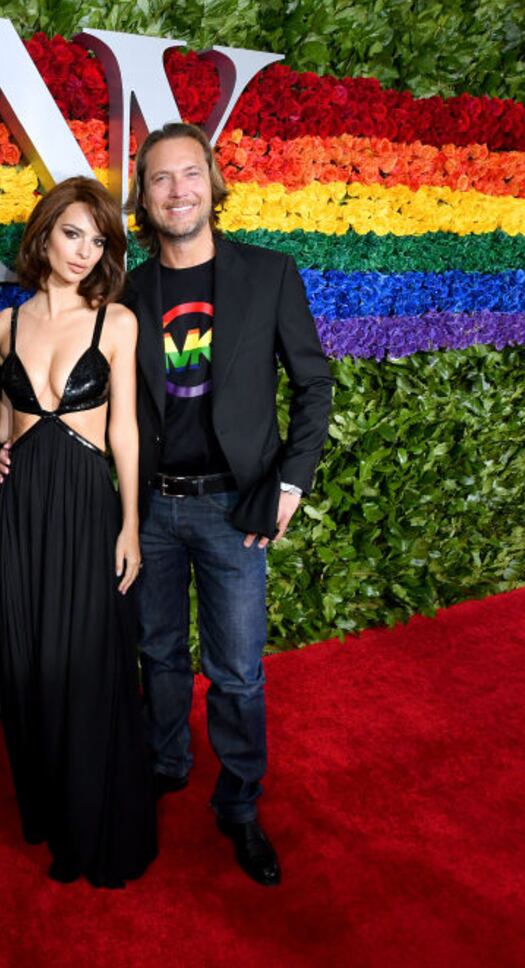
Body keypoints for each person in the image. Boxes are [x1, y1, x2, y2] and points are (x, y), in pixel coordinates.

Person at [124, 122, 333, 887]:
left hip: (234, 507)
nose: (176, 189)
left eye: (188, 174)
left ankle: (239, 805)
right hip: (149, 506)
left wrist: (288, 483)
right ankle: (166, 765)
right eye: (158, 178)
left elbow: (313, 383)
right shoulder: (128, 288)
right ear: (142, 199)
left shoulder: (268, 274)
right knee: (157, 654)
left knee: (237, 672)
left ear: (212, 183)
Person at [0, 175, 158, 888]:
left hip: (91, 506)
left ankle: (97, 825)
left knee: (87, 665)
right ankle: (54, 813)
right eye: (72, 233)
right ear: (44, 233)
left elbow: (123, 430)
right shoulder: (3, 325)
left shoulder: (115, 322)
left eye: (98, 240)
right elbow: (4, 423)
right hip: (20, 509)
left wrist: (129, 525)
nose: (85, 251)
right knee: (29, 665)